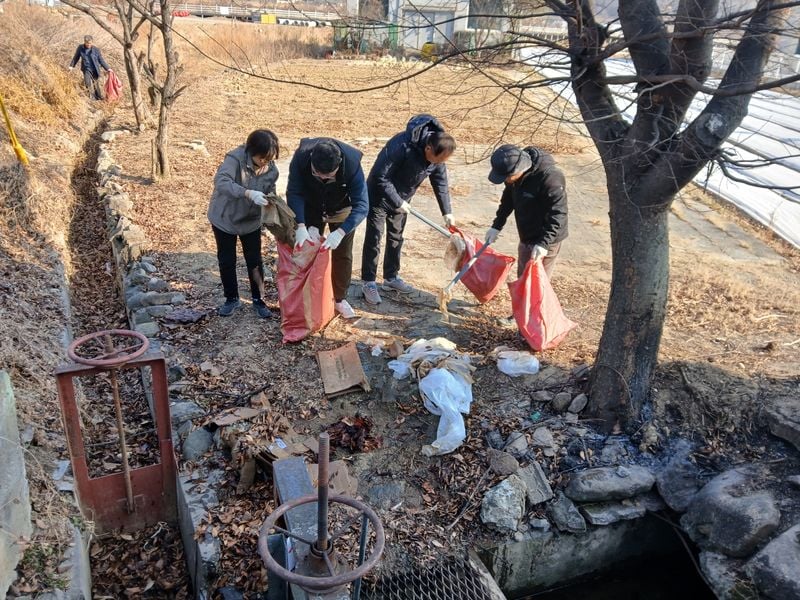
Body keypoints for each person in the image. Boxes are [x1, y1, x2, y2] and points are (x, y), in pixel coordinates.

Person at [360, 114, 456, 305]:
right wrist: (397, 200)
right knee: (375, 238)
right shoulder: (401, 145)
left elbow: (440, 181)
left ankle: (391, 277)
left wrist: (447, 212)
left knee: (396, 237)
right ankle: (368, 282)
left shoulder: (438, 153)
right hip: (379, 195)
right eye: (435, 160)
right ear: (428, 148)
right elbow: (380, 176)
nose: (436, 164)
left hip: (403, 198)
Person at [286, 138, 369, 319]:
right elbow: (294, 192)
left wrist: (341, 232)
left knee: (342, 253)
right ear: (311, 163)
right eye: (318, 174)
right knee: (307, 248)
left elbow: (362, 205)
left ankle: (339, 298)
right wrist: (301, 224)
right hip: (312, 206)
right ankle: (305, 294)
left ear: (339, 166)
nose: (323, 178)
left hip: (341, 208)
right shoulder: (301, 158)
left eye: (329, 176)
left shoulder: (352, 164)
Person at [208, 129, 280, 318]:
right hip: (225, 218)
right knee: (227, 259)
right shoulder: (235, 159)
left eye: (270, 158)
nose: (265, 162)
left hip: (251, 221)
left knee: (254, 260)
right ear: (251, 151)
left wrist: (271, 202)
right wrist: (247, 193)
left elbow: (271, 190)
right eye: (262, 158)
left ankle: (258, 299)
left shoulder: (271, 170)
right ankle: (231, 298)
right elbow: (221, 182)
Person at [484, 144, 568, 279]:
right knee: (523, 278)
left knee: (537, 282)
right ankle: (523, 300)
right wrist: (496, 225)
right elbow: (508, 199)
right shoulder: (513, 173)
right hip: (526, 234)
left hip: (547, 237)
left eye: (506, 177)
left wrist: (544, 243)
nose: (505, 181)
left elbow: (558, 214)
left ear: (518, 170)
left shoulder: (550, 177)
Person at [69, 35, 110, 100]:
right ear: (84, 42)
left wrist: (108, 68)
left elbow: (101, 60)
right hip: (86, 68)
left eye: (90, 43)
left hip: (95, 69)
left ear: (92, 42)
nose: (88, 44)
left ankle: (99, 97)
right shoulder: (80, 48)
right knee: (87, 82)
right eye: (87, 43)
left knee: (95, 84)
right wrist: (71, 66)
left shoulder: (96, 50)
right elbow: (76, 57)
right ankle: (91, 97)